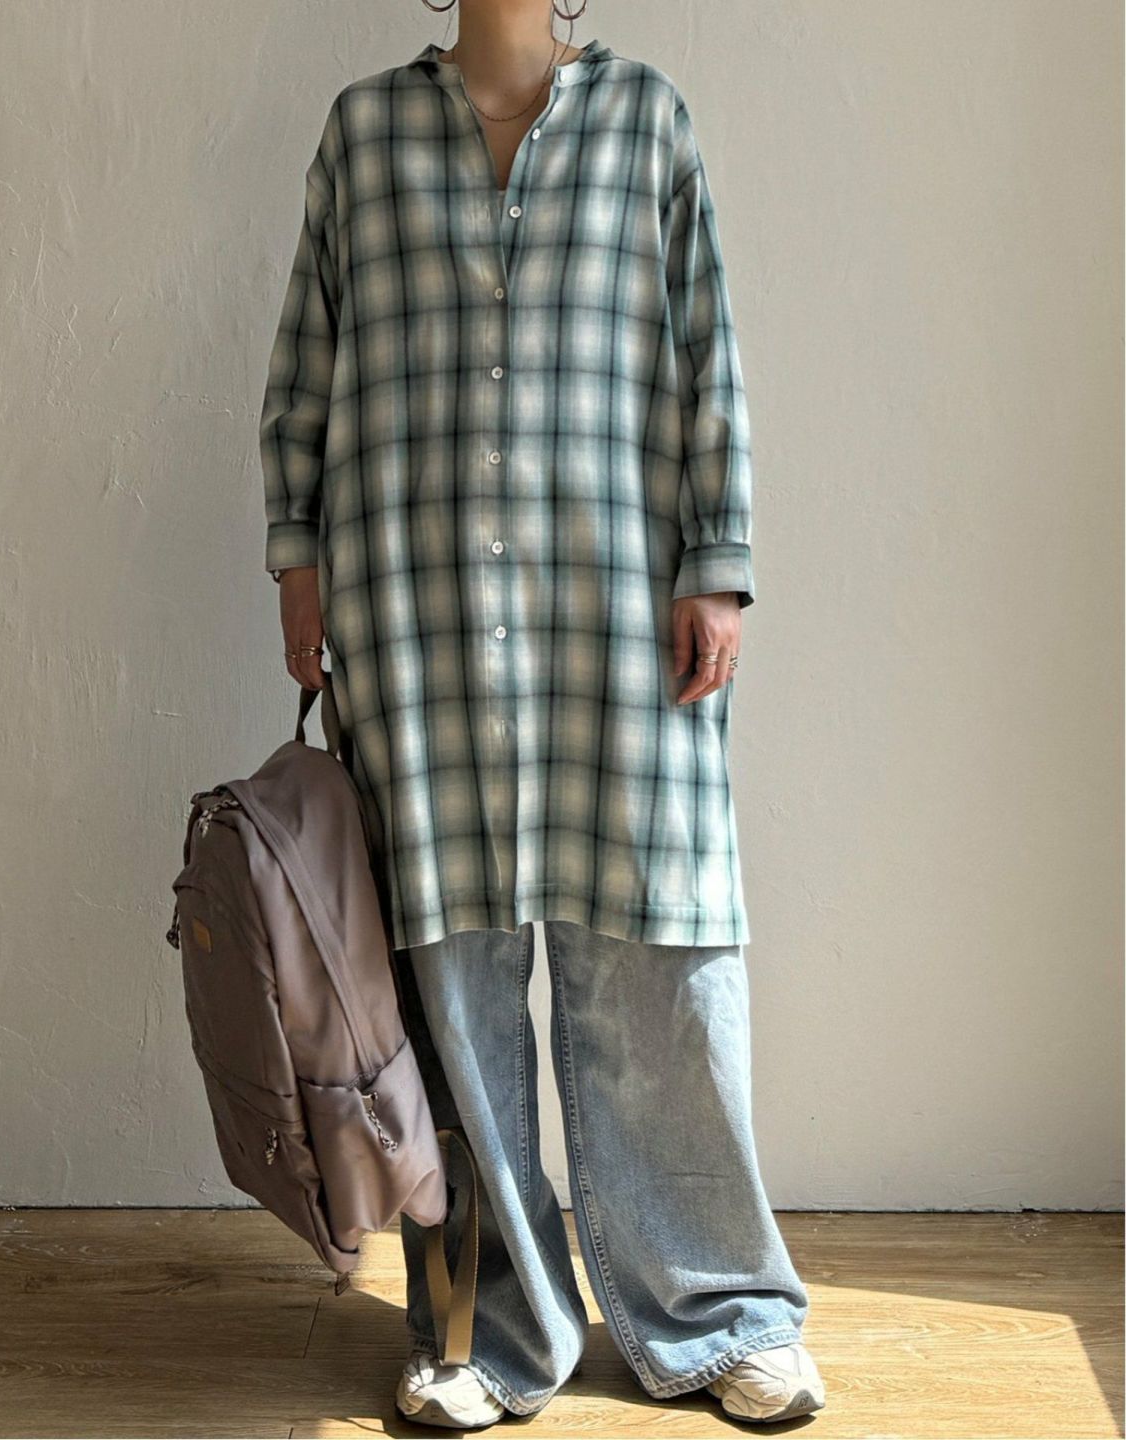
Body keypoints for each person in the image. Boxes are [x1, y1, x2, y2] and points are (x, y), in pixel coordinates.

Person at [258, 0, 825, 1426]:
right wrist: (299, 560)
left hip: (617, 615)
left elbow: (707, 353)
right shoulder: (364, 133)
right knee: (445, 994)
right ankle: (481, 1329)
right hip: (415, 617)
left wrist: (720, 565)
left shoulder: (648, 122)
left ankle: (722, 1311)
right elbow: (307, 365)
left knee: (663, 970)